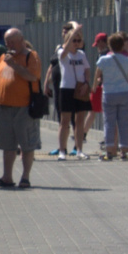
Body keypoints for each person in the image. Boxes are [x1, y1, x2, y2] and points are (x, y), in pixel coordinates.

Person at [0, 28, 42, 188]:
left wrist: (14, 64)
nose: (9, 45)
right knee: (7, 145)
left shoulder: (31, 56)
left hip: (24, 108)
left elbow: (33, 76)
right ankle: (7, 177)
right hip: (4, 107)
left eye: (12, 42)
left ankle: (25, 177)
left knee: (27, 144)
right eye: (7, 43)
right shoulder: (2, 58)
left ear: (21, 40)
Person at [93, 33, 128, 160]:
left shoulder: (103, 60)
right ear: (122, 46)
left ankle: (110, 150)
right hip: (125, 92)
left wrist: (94, 87)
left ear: (109, 46)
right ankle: (124, 150)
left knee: (109, 122)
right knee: (124, 121)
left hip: (109, 92)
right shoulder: (127, 60)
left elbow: (97, 74)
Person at [44, 21, 80, 156]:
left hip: (72, 86)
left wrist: (72, 23)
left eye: (68, 32)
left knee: (74, 117)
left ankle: (77, 145)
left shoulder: (76, 46)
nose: (65, 34)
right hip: (59, 85)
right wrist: (46, 83)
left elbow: (77, 30)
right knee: (61, 115)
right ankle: (61, 147)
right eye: (63, 32)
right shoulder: (59, 48)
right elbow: (52, 65)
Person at [56, 24, 92, 160]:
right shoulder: (62, 52)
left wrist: (87, 83)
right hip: (67, 88)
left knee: (80, 120)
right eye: (74, 40)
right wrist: (74, 32)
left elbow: (87, 70)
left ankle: (79, 150)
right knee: (64, 121)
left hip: (80, 88)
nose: (76, 43)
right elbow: (64, 51)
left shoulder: (81, 54)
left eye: (78, 40)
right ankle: (62, 151)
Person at [84, 32, 109, 147]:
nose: (97, 47)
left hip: (102, 86)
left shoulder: (105, 54)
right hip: (101, 85)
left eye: (98, 43)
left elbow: (98, 72)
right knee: (94, 110)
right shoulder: (102, 53)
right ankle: (83, 133)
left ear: (103, 42)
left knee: (103, 112)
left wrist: (93, 86)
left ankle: (107, 137)